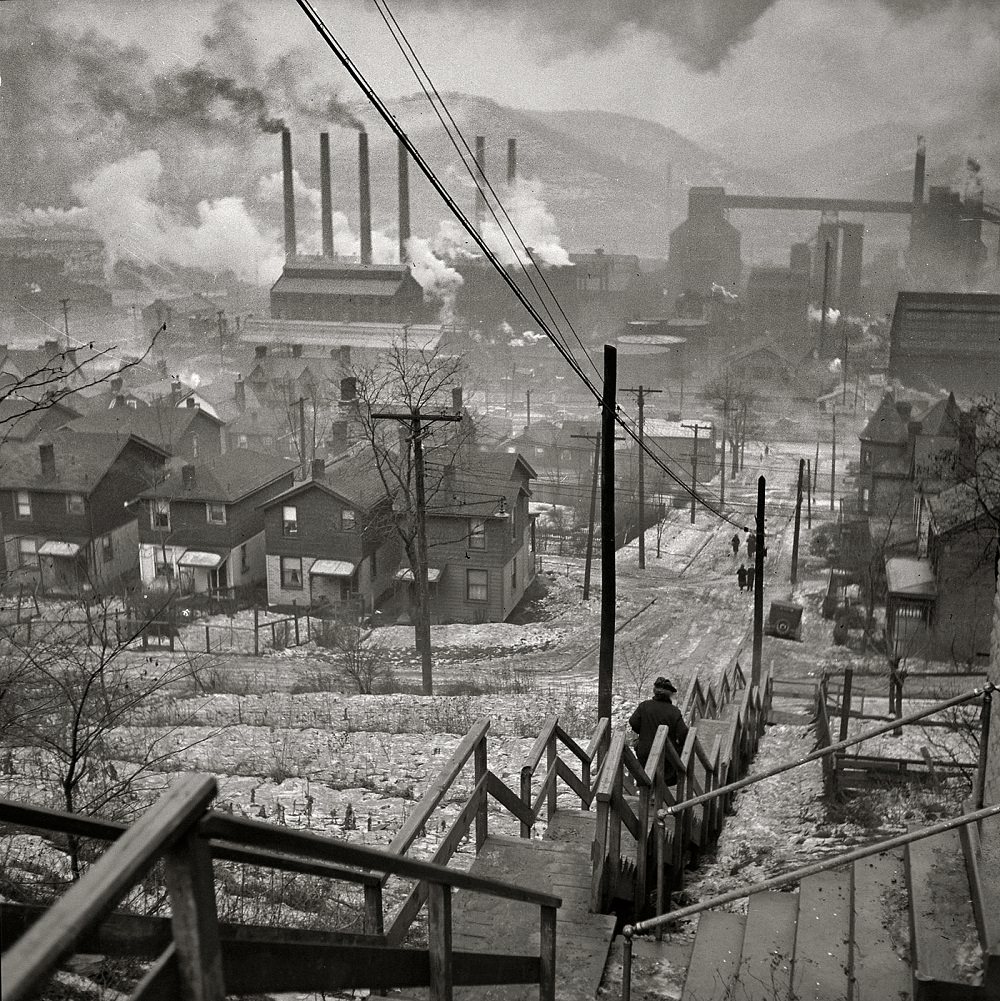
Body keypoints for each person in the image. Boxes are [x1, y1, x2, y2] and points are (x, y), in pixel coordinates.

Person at [629, 677, 689, 780]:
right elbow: (683, 733)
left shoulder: (644, 706)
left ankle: (647, 793)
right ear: (669, 694)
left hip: (644, 754)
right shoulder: (674, 712)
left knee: (646, 780)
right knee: (664, 780)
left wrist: (644, 733)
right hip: (666, 757)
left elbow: (633, 722)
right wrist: (679, 747)